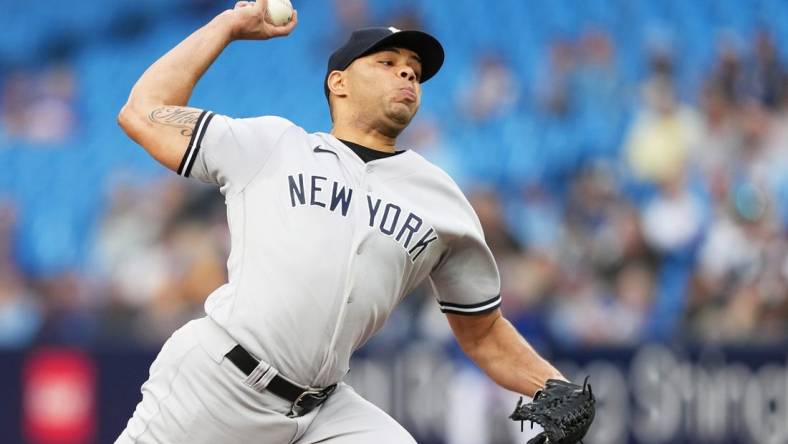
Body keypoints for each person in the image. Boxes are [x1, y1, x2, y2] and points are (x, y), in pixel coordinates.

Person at [115, 1, 565, 442]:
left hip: (323, 410)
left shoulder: (442, 199)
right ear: (339, 82)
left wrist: (553, 387)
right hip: (219, 382)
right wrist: (228, 26)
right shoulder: (273, 145)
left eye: (414, 68)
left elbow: (483, 332)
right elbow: (142, 112)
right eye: (387, 62)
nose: (408, 72)